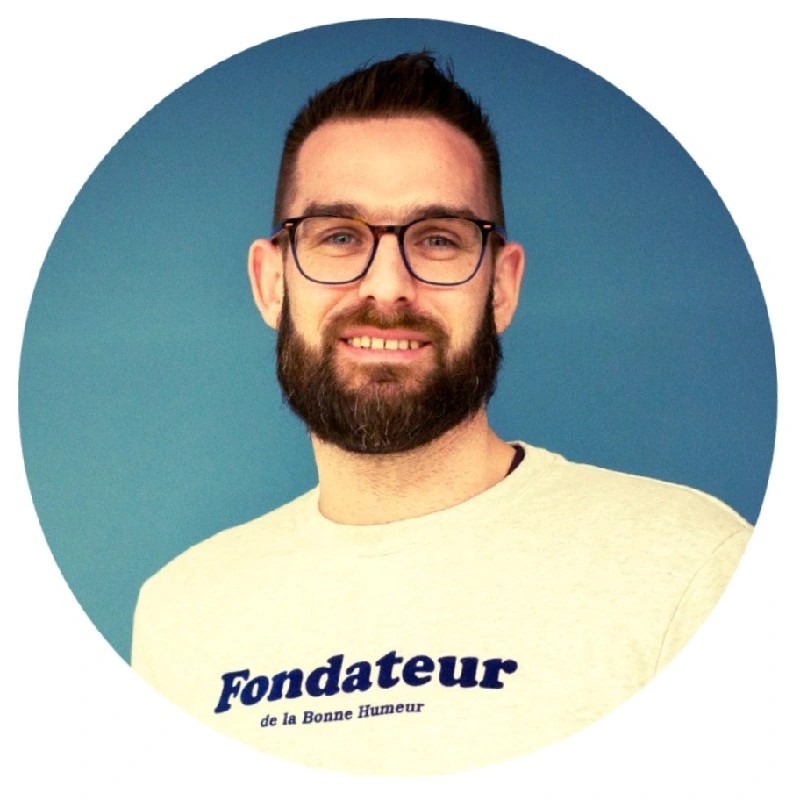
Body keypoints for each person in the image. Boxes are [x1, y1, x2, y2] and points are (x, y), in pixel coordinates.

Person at [131, 52, 752, 775]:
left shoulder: (693, 569)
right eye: (339, 237)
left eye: (437, 240)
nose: (387, 287)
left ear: (502, 287)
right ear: (272, 284)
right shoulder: (180, 614)